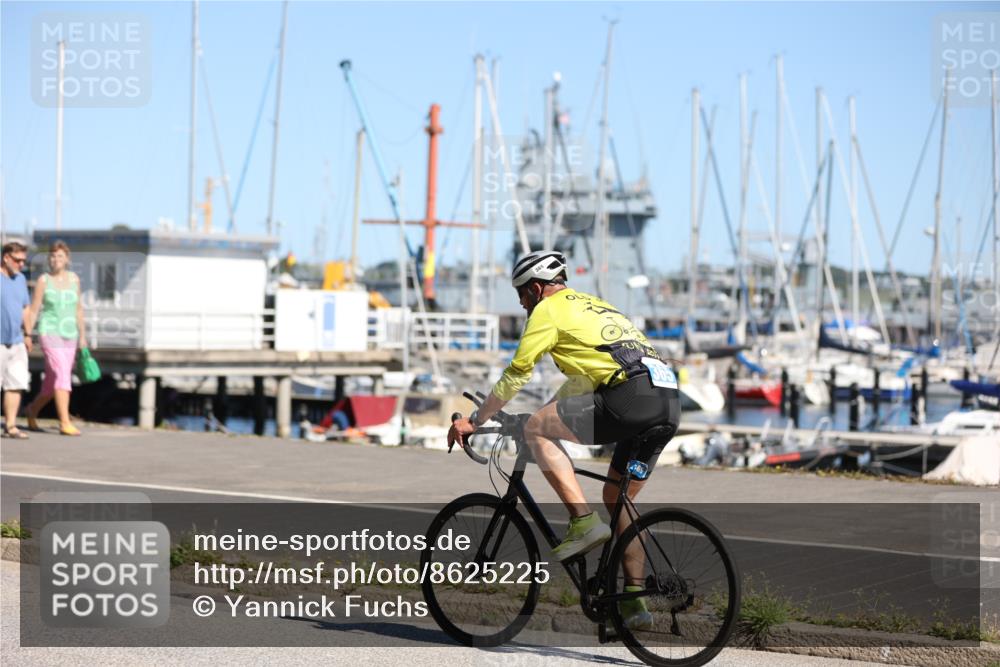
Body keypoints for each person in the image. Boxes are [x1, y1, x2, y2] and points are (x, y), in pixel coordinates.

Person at [447, 250, 681, 630]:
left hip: (630, 398)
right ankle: (635, 604)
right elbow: (583, 383)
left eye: (522, 294)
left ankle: (583, 523)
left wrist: (476, 420)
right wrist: (546, 411)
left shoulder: (547, 311)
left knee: (535, 430)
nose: (522, 303)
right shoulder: (594, 306)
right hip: (666, 403)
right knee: (618, 499)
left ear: (536, 288)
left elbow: (518, 370)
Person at [25, 241, 87, 436]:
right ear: (48, 259)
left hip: (70, 335)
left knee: (52, 384)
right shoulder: (44, 280)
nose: (56, 259)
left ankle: (32, 410)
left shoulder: (74, 279)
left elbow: (78, 309)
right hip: (49, 332)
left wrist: (83, 336)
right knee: (62, 374)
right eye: (53, 256)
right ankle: (65, 422)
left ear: (66, 259)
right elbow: (34, 310)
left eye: (60, 256)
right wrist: (27, 333)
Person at [1, 241, 33, 439]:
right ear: (6, 258)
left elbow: (25, 308)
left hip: (17, 341)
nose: (21, 264)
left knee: (15, 384)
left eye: (23, 261)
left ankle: (11, 425)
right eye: (18, 260)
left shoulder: (21, 279)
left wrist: (28, 334)